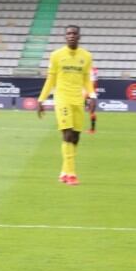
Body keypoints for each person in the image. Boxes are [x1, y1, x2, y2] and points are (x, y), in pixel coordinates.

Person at [37, 25, 94, 186]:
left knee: (75, 137)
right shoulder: (56, 55)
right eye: (68, 33)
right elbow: (50, 79)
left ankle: (64, 171)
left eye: (74, 33)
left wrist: (92, 96)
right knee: (67, 134)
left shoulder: (86, 56)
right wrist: (41, 99)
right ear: (65, 37)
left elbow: (86, 80)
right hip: (62, 99)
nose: (71, 36)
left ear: (79, 36)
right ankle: (71, 174)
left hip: (78, 100)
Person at [87, 64, 98, 135]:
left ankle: (93, 129)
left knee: (92, 111)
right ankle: (92, 129)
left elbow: (94, 83)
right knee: (91, 111)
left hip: (90, 92)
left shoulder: (92, 70)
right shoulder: (93, 70)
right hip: (89, 92)